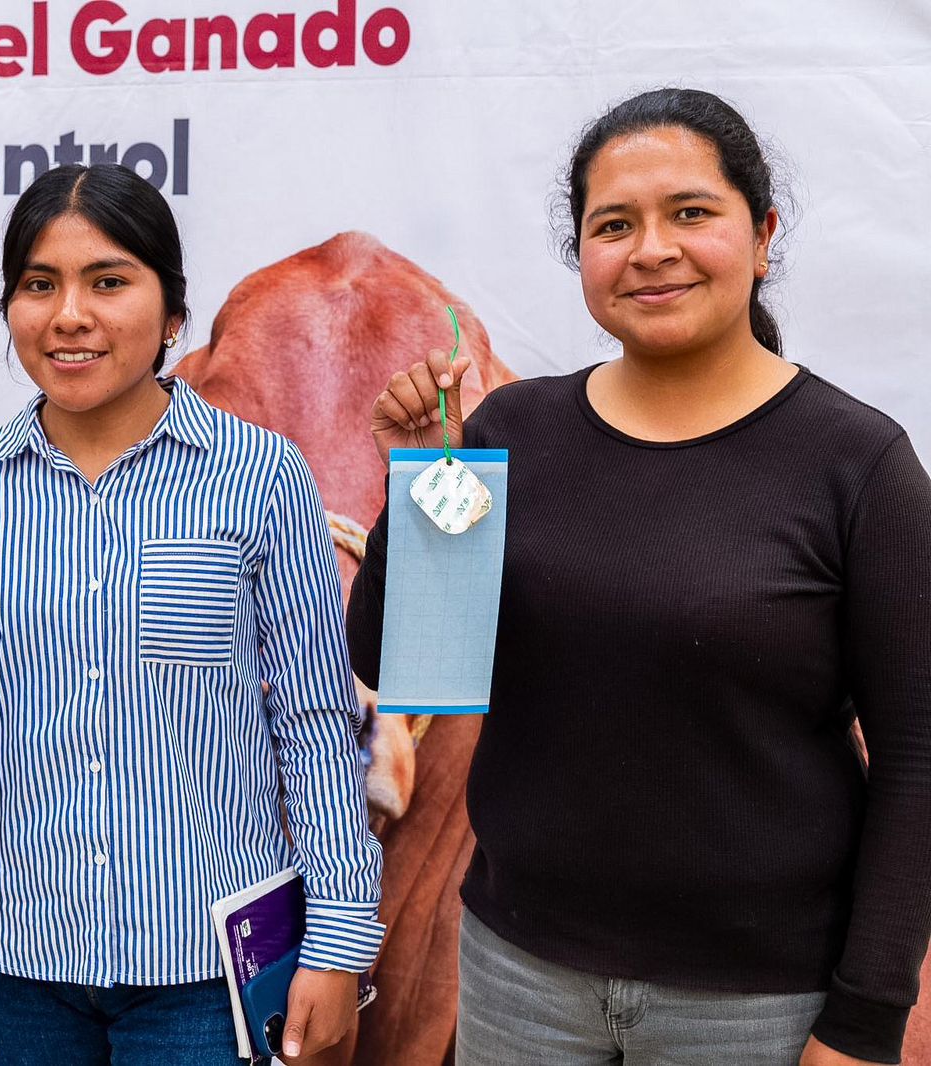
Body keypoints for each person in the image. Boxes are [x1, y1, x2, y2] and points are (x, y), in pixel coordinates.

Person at [347, 87, 931, 1065]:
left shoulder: (856, 465)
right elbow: (409, 659)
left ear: (763, 231)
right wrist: (419, 479)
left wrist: (864, 1019)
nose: (650, 249)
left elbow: (917, 759)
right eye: (613, 225)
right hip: (518, 977)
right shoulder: (510, 434)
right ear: (583, 255)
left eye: (689, 214)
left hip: (755, 1004)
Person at [0, 163, 384, 1065]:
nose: (69, 315)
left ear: (172, 314)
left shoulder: (257, 476)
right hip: (25, 959)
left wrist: (336, 941)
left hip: (204, 967)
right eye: (39, 285)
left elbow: (316, 724)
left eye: (109, 282)